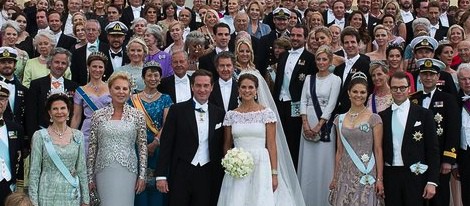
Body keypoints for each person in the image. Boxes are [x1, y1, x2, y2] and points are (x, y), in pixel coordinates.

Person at [155, 69, 225, 206]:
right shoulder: (177, 110)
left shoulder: (219, 113)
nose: (202, 89)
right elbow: (166, 144)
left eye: (206, 86)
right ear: (192, 87)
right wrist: (161, 175)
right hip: (181, 170)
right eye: (198, 85)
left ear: (212, 87)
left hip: (208, 172)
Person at [217, 73, 278, 205]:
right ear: (238, 90)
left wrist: (274, 174)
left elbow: (272, 145)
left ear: (256, 90)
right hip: (237, 165)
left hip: (261, 164)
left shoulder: (266, 114)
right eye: (243, 87)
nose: (247, 90)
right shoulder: (231, 115)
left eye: (251, 87)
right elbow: (227, 145)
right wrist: (230, 162)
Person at [379, 71, 440, 205]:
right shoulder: (382, 116)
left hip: (416, 176)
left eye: (402, 87)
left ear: (409, 88)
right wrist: (380, 179)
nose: (399, 91)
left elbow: (433, 150)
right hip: (391, 176)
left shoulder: (424, 114)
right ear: (390, 88)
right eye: (395, 88)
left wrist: (432, 181)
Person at [87, 72, 147, 206]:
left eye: (125, 89)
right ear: (110, 89)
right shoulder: (98, 115)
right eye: (117, 88)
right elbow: (92, 147)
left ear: (130, 91)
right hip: (103, 171)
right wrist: (90, 177)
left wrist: (142, 175)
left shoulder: (137, 115)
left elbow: (142, 147)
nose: (121, 92)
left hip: (128, 171)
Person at [409, 58, 460, 206]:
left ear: (438, 77)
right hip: (417, 158)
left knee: (439, 198)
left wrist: (448, 159)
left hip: (439, 159)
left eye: (432, 74)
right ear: (420, 76)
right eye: (424, 74)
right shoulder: (413, 100)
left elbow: (453, 131)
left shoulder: (448, 99)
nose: (428, 77)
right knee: (417, 197)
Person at [329, 72, 384, 206]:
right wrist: (335, 177)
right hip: (345, 173)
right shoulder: (339, 119)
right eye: (355, 91)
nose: (358, 95)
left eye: (362, 92)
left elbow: (378, 150)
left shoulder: (374, 118)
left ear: (367, 94)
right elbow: (339, 151)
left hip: (366, 173)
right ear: (348, 93)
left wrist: (379, 179)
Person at [297, 45, 341, 206]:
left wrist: (319, 126)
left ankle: (324, 200)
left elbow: (331, 104)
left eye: (324, 59)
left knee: (323, 162)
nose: (321, 62)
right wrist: (305, 124)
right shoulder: (309, 79)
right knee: (308, 162)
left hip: (325, 126)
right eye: (318, 59)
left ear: (329, 61)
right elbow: (303, 100)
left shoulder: (335, 80)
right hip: (307, 123)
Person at [29, 93, 89, 206]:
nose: (59, 112)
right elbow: (34, 172)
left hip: (71, 195)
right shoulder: (40, 136)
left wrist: (85, 200)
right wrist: (33, 202)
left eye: (63, 108)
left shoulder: (78, 135)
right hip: (47, 194)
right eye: (55, 109)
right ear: (49, 113)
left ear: (69, 111)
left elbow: (81, 169)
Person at [130, 61, 173, 206]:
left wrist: (155, 143)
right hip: (137, 146)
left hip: (159, 146)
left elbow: (167, 124)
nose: (153, 78)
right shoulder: (133, 99)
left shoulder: (166, 98)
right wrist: (142, 145)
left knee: (157, 186)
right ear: (143, 77)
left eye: (156, 75)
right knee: (139, 186)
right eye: (149, 75)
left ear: (160, 78)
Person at [274, 25, 316, 168]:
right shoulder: (283, 56)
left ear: (305, 38)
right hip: (280, 103)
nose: (295, 38)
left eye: (299, 36)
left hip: (297, 105)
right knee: (280, 139)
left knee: (293, 141)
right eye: (293, 35)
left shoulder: (310, 59)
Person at [25, 47, 78, 139]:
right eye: (57, 62)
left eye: (63, 63)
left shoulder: (74, 86)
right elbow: (31, 114)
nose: (60, 66)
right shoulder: (36, 84)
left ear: (67, 66)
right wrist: (33, 137)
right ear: (50, 63)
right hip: (42, 134)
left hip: (66, 135)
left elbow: (75, 114)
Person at [70, 52, 111, 154]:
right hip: (88, 130)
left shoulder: (111, 88)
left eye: (100, 67)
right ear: (88, 67)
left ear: (104, 69)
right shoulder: (81, 90)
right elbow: (76, 116)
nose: (97, 70)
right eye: (94, 66)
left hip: (108, 128)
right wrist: (71, 137)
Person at [0, 81, 24, 205]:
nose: (0, 102)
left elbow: (19, 157)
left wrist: (19, 186)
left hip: (9, 185)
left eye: (2, 98)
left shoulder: (15, 128)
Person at [457, 63, 470, 206]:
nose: (467, 82)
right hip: (465, 154)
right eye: (463, 79)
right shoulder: (454, 100)